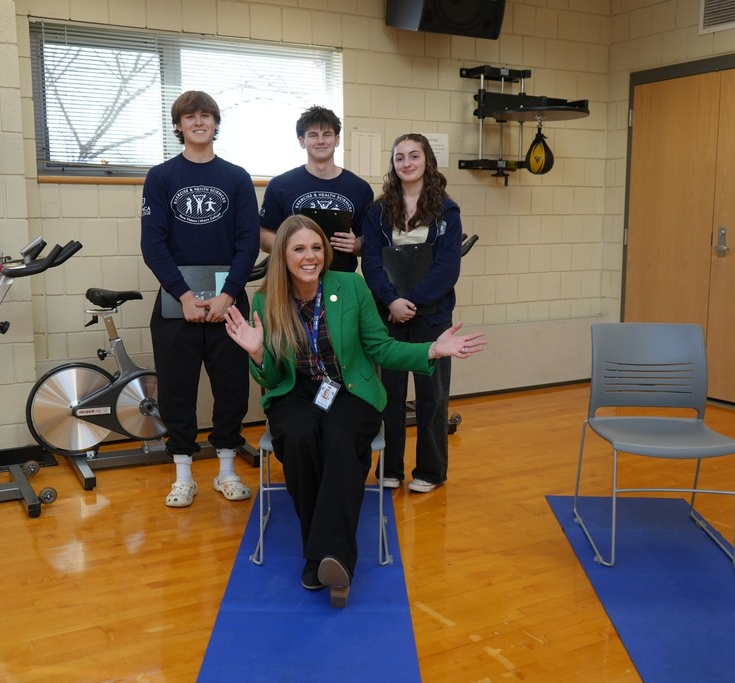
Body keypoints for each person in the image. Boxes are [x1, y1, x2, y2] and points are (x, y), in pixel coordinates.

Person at [224, 215, 485, 608]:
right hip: (297, 391)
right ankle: (328, 552)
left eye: (316, 247)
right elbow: (275, 375)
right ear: (283, 256)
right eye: (299, 249)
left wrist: (431, 349)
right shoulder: (266, 300)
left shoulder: (351, 286)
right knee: (296, 437)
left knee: (341, 438)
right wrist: (258, 352)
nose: (310, 256)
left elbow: (381, 348)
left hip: (350, 389)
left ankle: (327, 558)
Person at [141, 91, 260, 508]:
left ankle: (226, 472)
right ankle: (183, 475)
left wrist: (229, 295)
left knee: (231, 390)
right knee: (177, 391)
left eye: (206, 115)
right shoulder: (160, 177)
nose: (198, 122)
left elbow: (248, 242)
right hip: (178, 304)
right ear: (178, 126)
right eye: (189, 117)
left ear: (215, 123)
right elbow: (152, 244)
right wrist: (184, 295)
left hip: (228, 302)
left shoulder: (237, 177)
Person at [361, 133, 463, 494]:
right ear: (394, 164)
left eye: (414, 156)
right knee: (388, 393)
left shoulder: (447, 210)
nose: (406, 163)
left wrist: (412, 303)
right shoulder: (377, 211)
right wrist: (391, 302)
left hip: (431, 318)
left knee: (432, 397)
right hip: (387, 315)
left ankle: (431, 471)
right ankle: (390, 468)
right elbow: (371, 262)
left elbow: (448, 267)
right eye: (400, 157)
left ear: (427, 161)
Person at [259, 106, 374, 272]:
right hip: (293, 280)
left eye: (327, 134)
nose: (321, 141)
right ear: (302, 141)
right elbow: (263, 234)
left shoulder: (360, 188)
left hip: (341, 280)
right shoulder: (280, 185)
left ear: (337, 139)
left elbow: (370, 241)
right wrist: (289, 246)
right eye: (313, 135)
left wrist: (355, 244)